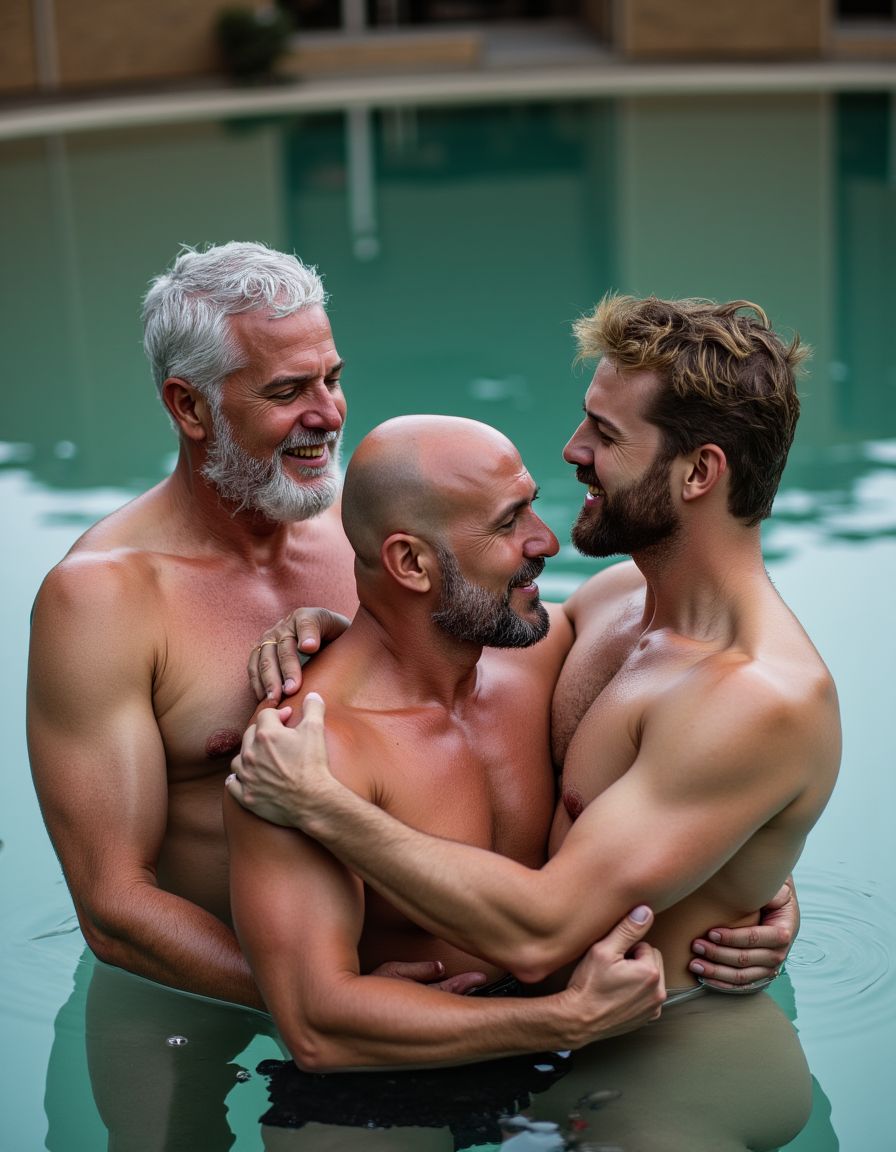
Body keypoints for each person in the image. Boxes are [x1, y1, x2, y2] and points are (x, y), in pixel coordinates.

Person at [28, 243, 789, 1008]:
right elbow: (114, 908)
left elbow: (575, 686)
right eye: (288, 390)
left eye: (333, 378)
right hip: (223, 1002)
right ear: (189, 406)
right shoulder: (103, 600)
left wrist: (734, 860)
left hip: (476, 978)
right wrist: (320, 995)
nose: (327, 415)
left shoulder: (378, 527)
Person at [228, 293, 840, 999]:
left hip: (661, 1058)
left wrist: (320, 803)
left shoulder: (755, 695)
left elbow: (543, 932)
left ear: (699, 473)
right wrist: (354, 628)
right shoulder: (610, 607)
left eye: (606, 436)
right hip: (537, 1040)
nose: (573, 449)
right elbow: (456, 613)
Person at [226, 414, 673, 1068]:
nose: (546, 541)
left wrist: (750, 863)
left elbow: (716, 690)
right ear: (410, 562)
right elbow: (317, 1026)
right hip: (388, 1082)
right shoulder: (305, 756)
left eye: (533, 509)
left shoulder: (540, 660)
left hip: (570, 1040)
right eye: (507, 523)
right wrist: (563, 1020)